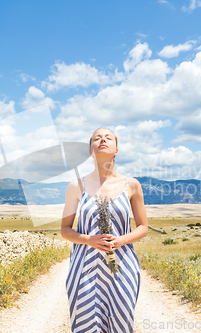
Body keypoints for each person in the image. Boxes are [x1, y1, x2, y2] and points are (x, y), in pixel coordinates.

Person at [61, 127, 148, 333]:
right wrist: (88, 239)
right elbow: (65, 229)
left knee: (121, 325)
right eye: (97, 138)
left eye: (108, 138)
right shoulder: (76, 186)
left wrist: (120, 241)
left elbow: (143, 227)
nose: (102, 140)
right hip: (84, 269)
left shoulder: (132, 185)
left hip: (122, 266)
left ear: (116, 150)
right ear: (91, 150)